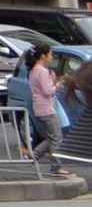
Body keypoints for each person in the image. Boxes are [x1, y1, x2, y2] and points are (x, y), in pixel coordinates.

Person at [28, 46, 71, 177]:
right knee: (57, 138)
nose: (51, 58)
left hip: (40, 107)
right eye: (50, 55)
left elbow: (43, 87)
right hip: (46, 108)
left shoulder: (34, 71)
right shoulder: (42, 71)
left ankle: (33, 155)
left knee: (53, 137)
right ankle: (56, 167)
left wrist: (54, 80)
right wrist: (58, 84)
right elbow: (48, 91)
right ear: (43, 56)